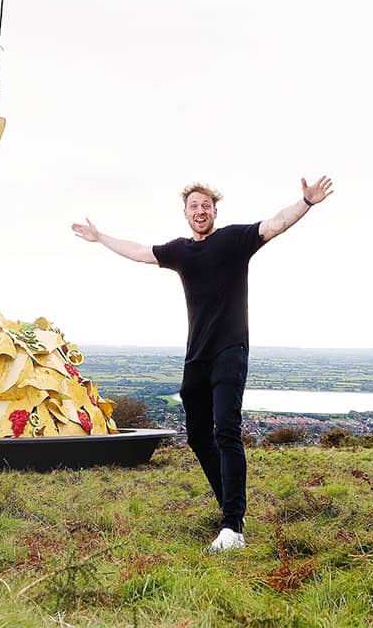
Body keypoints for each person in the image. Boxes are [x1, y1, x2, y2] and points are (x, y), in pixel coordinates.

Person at [71, 175, 333, 552]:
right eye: (193, 206)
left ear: (214, 211)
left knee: (226, 430)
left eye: (206, 205)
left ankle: (232, 528)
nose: (200, 210)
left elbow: (275, 224)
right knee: (197, 436)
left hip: (230, 350)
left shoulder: (233, 241)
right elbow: (139, 251)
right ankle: (232, 510)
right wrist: (102, 237)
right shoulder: (180, 252)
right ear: (185, 213)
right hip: (196, 357)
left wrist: (306, 203)